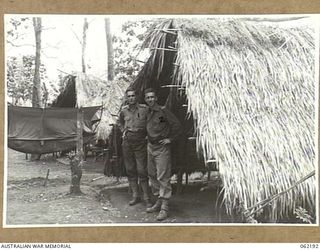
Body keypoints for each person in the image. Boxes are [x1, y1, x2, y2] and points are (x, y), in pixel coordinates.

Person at [144, 88, 182, 221]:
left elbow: (176, 125)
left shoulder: (163, 111)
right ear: (145, 99)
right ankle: (158, 201)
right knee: (152, 174)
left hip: (162, 148)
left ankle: (165, 207)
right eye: (148, 97)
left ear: (156, 98)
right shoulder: (146, 112)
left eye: (152, 97)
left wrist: (170, 139)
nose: (150, 99)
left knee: (163, 176)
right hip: (150, 147)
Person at [118, 88, 152, 207]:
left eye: (133, 95)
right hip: (127, 142)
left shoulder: (144, 109)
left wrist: (149, 134)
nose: (131, 98)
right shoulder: (124, 111)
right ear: (126, 98)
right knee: (130, 170)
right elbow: (120, 122)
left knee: (142, 170)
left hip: (140, 141)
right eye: (129, 96)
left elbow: (153, 121)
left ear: (136, 97)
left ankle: (147, 197)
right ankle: (135, 196)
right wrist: (124, 131)